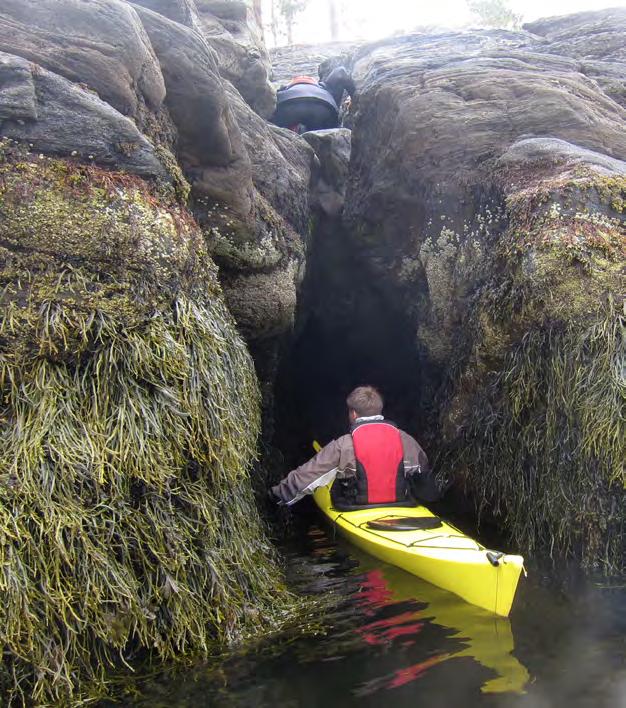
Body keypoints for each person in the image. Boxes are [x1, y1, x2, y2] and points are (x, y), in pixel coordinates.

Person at [271, 386, 445, 508]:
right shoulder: (406, 440)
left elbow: (305, 477)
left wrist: (276, 497)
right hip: (402, 505)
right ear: (380, 410)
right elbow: (424, 475)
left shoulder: (344, 445)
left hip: (356, 508)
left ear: (353, 413)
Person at [272, 66, 356, 134]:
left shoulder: (284, 90)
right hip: (322, 108)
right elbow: (340, 71)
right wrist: (355, 98)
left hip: (287, 107)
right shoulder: (324, 87)